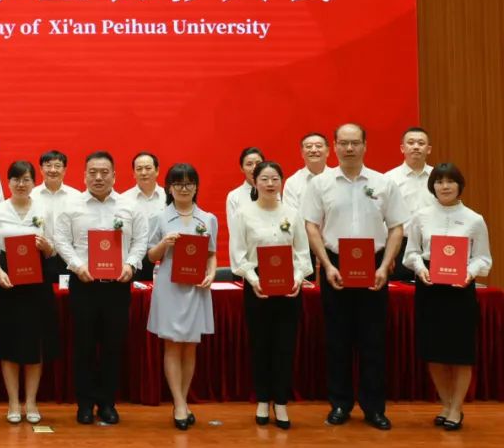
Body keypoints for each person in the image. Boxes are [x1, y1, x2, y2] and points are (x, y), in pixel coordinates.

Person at [302, 123, 409, 431]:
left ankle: (374, 408)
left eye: (355, 143)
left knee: (373, 341)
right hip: (335, 266)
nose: (349, 148)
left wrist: (384, 266)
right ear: (335, 146)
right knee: (337, 340)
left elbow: (397, 227)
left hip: (374, 268)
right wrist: (326, 265)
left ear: (365, 146)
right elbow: (311, 226)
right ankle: (340, 404)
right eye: (344, 143)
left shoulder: (384, 183)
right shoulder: (320, 184)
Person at [54, 151, 147, 426]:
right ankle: (84, 404)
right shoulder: (71, 205)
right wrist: (76, 265)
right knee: (83, 347)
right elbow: (61, 239)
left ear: (114, 176)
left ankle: (107, 403)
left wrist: (131, 264)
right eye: (93, 172)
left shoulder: (130, 206)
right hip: (84, 285)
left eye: (104, 172)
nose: (98, 177)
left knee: (112, 346)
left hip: (117, 287)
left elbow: (141, 240)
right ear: (84, 175)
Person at [403, 163, 492, 431]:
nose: (445, 186)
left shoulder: (474, 219)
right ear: (433, 186)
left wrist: (469, 273)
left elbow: (483, 258)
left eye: (450, 181)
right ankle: (446, 403)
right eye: (439, 181)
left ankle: (456, 408)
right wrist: (420, 269)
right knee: (434, 352)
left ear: (459, 185)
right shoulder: (420, 216)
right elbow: (411, 253)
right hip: (430, 288)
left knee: (460, 353)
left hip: (460, 290)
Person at [229, 161, 312, 429]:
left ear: (281, 182)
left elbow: (303, 254)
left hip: (289, 290)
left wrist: (297, 279)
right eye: (264, 179)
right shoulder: (243, 214)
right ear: (255, 182)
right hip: (258, 289)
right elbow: (238, 255)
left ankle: (281, 402)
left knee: (285, 346)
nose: (270, 183)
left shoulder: (293, 214)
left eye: (275, 178)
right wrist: (254, 280)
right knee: (260, 346)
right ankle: (263, 400)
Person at [0, 160, 59, 424]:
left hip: (36, 283)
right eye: (16, 179)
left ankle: (31, 401)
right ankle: (13, 402)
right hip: (7, 282)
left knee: (34, 343)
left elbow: (54, 249)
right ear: (8, 182)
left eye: (26, 179)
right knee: (10, 343)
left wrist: (46, 246)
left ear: (33, 182)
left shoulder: (43, 210)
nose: (21, 184)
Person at [147, 163, 218, 430]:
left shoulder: (208, 219)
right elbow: (150, 256)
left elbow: (211, 254)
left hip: (196, 287)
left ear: (196, 187)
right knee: (172, 345)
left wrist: (211, 274)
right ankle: (178, 403)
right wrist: (164, 243)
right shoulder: (159, 218)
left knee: (190, 345)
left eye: (189, 183)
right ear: (169, 188)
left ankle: (183, 399)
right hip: (169, 286)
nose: (184, 188)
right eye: (178, 183)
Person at [386, 127, 434, 281]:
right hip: (400, 245)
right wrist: (388, 254)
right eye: (411, 142)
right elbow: (381, 217)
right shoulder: (389, 179)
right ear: (402, 148)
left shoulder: (439, 178)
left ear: (428, 149)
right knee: (400, 290)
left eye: (421, 143)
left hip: (432, 245)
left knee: (432, 290)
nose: (416, 146)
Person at [30, 149, 80, 281]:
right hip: (40, 257)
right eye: (48, 165)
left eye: (57, 166)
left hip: (70, 258)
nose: (53, 170)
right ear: (41, 169)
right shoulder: (31, 196)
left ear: (64, 170)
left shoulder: (76, 197)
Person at [119, 151, 164, 280]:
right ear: (133, 173)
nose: (143, 172)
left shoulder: (168, 197)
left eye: (148, 168)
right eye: (139, 169)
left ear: (157, 171)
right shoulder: (123, 200)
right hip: (131, 260)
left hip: (162, 259)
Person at [282, 133, 330, 212]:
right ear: (302, 153)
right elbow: (291, 214)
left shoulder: (337, 178)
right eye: (308, 146)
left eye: (318, 146)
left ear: (327, 151)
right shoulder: (292, 182)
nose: (313, 150)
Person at [226, 147, 265, 231]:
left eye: (258, 163)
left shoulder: (273, 193)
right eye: (249, 164)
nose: (255, 167)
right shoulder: (234, 196)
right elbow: (234, 230)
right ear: (242, 168)